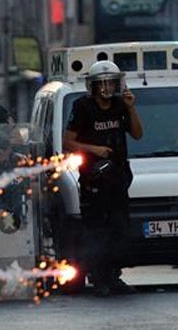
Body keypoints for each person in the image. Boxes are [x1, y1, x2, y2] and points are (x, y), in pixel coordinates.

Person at [63, 60, 143, 297]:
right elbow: (68, 141)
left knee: (119, 229)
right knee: (96, 231)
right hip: (94, 179)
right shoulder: (82, 107)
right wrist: (94, 149)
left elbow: (138, 134)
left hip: (118, 178)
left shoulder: (120, 105)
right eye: (102, 83)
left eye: (111, 82)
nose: (107, 87)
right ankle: (98, 278)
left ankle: (114, 276)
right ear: (94, 86)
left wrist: (131, 108)